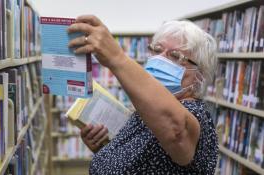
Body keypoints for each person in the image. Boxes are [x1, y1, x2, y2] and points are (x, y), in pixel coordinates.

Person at [68, 15, 218, 175]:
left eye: (175, 56)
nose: (160, 60)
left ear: (199, 75)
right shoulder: (145, 110)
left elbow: (177, 132)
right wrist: (106, 149)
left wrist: (116, 57)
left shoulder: (195, 114)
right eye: (158, 50)